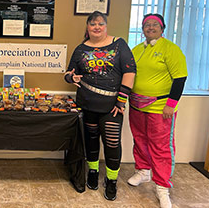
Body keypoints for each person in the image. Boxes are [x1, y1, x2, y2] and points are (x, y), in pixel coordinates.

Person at [64, 11, 136, 201]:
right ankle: (93, 172)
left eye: (100, 24)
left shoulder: (119, 44)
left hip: (112, 106)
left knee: (112, 143)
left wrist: (122, 99)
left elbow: (130, 72)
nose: (97, 27)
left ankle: (112, 180)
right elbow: (68, 73)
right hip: (87, 105)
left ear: (106, 26)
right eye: (93, 24)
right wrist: (72, 77)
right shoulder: (81, 49)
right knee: (91, 141)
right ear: (87, 27)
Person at [127, 13, 187, 208]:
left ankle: (162, 187)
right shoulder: (137, 49)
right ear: (142, 28)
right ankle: (143, 171)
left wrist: (171, 104)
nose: (150, 27)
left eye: (155, 24)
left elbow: (179, 78)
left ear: (162, 28)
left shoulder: (171, 49)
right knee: (140, 139)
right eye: (146, 25)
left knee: (161, 147)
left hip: (160, 108)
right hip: (136, 105)